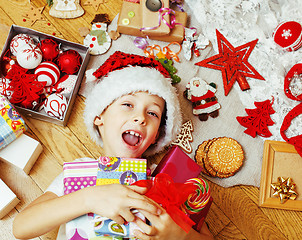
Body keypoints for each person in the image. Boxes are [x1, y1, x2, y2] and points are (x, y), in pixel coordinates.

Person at [13, 51, 214, 240]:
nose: (140, 118)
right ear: (99, 117)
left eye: (153, 113)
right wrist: (89, 199)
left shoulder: (166, 179)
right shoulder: (81, 173)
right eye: (128, 105)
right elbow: (21, 227)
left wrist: (181, 236)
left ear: (156, 136)